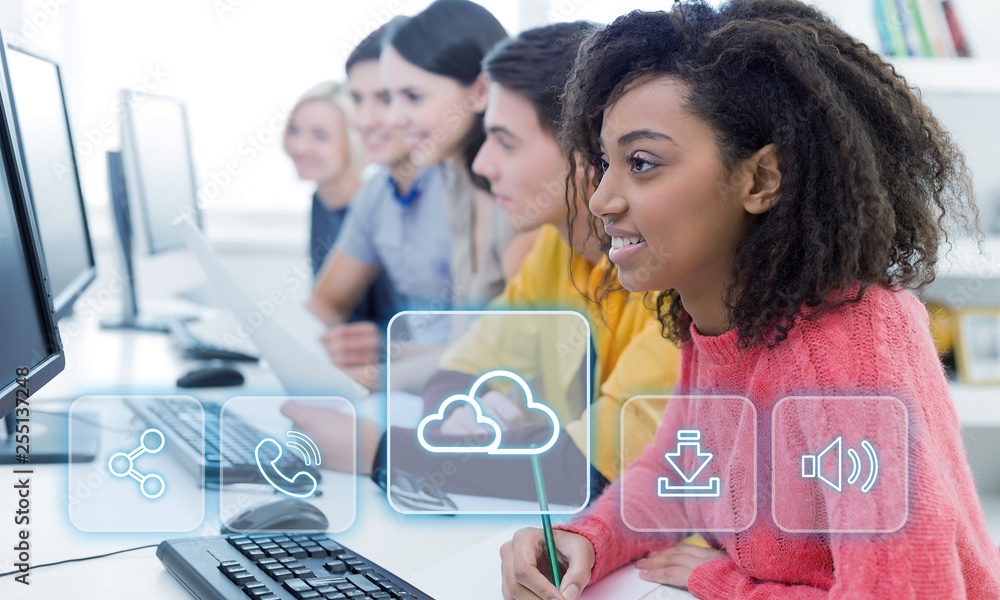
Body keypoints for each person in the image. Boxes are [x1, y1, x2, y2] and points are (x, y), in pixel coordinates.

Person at [500, 2, 1000, 599]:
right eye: (606, 162)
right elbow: (678, 471)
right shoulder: (716, 317)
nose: (603, 200)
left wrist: (723, 581)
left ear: (761, 179)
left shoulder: (849, 352)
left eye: (642, 163)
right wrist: (585, 538)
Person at [284, 22, 682, 500]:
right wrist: (466, 410)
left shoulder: (672, 276)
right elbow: (460, 368)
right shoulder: (554, 248)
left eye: (506, 143)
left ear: (586, 154)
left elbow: (587, 470)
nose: (482, 163)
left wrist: (376, 450)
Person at [307, 22, 453, 391]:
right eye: (357, 99)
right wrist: (317, 349)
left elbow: (496, 344)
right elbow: (325, 302)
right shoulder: (376, 193)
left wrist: (387, 358)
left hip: (461, 389)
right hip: (407, 382)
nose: (366, 120)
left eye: (385, 98)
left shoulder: (466, 184)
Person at [381, 0, 537, 310]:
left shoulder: (525, 201)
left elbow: (523, 353)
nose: (393, 119)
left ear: (481, 91)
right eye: (391, 97)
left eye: (413, 96)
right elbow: (463, 341)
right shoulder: (457, 182)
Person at [284, 81, 395, 325]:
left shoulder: (376, 209)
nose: (301, 146)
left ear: (354, 140)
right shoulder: (320, 201)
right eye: (295, 130)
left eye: (320, 135)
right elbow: (324, 307)